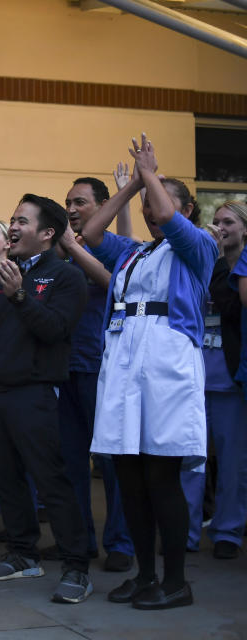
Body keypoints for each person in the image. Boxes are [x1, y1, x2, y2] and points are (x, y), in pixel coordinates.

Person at [83, 133, 215, 610]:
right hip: (123, 362)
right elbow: (92, 234)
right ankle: (145, 575)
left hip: (166, 363)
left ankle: (176, 581)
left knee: (160, 476)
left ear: (184, 211)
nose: (149, 208)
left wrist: (152, 175)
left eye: (159, 197)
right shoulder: (134, 252)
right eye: (147, 197)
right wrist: (132, 185)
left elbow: (167, 218)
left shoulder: (198, 246)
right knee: (130, 475)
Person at [0, 193, 92, 604]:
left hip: (34, 393)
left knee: (51, 482)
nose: (12, 228)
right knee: (7, 479)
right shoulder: (2, 275)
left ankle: (76, 567)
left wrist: (19, 296)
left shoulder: (66, 276)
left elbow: (55, 329)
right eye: (12, 220)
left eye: (22, 221)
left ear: (48, 234)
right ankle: (22, 554)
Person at [47, 176, 135, 572]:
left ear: (102, 207)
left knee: (113, 463)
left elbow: (112, 283)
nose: (71, 208)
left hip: (103, 367)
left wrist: (70, 246)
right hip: (67, 368)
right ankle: (79, 541)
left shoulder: (107, 248)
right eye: (68, 201)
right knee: (70, 463)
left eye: (80, 202)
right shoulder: (64, 252)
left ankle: (122, 542)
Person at [183, 200, 247, 560]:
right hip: (193, 380)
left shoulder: (238, 269)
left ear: (244, 229)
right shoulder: (203, 263)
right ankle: (186, 532)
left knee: (233, 464)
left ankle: (227, 532)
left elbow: (230, 305)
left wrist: (221, 259)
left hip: (229, 383)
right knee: (190, 462)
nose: (220, 226)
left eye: (229, 221)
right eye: (216, 221)